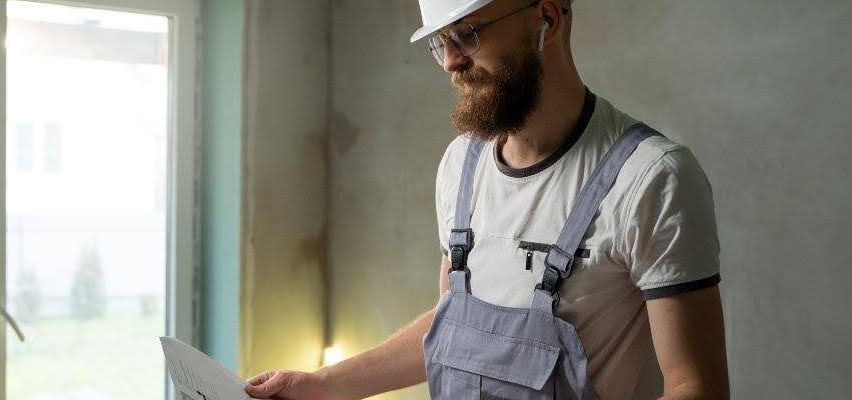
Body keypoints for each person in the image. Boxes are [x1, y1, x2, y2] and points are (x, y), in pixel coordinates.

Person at [244, 0, 729, 398]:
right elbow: (456, 325)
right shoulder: (461, 165)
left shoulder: (650, 178)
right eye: (440, 42)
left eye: (468, 33)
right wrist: (322, 384)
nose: (452, 61)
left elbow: (697, 386)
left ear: (547, 18)